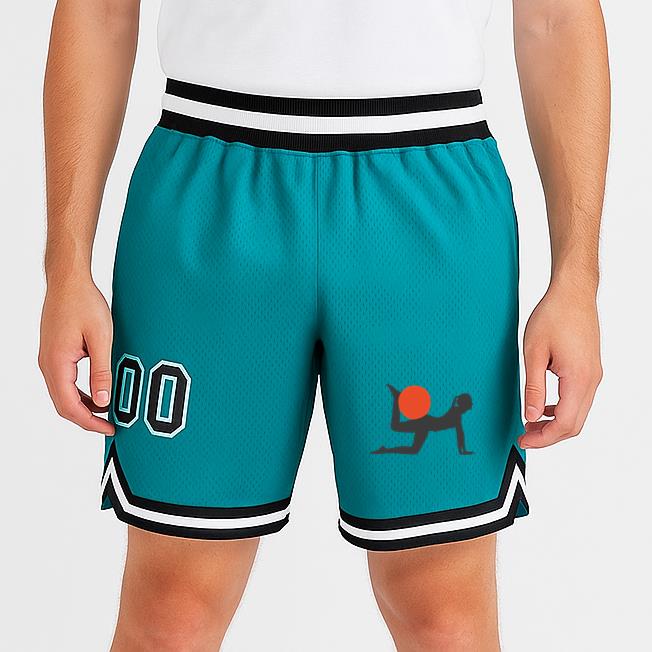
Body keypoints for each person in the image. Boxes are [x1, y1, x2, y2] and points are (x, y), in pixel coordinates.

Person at [38, 0, 608, 649]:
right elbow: (100, 12)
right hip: (209, 183)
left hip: (428, 198)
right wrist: (65, 268)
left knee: (444, 617)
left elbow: (557, 18)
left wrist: (577, 280)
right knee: (172, 614)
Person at [372, 386, 474, 455]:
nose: (467, 410)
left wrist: (463, 450)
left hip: (426, 425)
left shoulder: (455, 411)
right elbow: (460, 434)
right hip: (425, 423)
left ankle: (385, 450)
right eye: (467, 407)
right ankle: (397, 398)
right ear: (463, 406)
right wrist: (463, 451)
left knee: (413, 449)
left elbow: (460, 434)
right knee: (396, 427)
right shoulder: (456, 415)